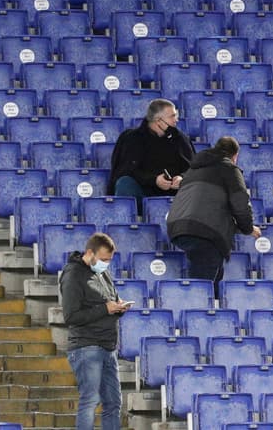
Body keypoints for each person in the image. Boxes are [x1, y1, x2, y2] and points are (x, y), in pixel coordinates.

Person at [165, 136, 260, 285]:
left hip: (178, 227)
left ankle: (212, 302)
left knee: (213, 273)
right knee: (202, 284)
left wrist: (242, 229)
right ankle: (199, 304)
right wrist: (247, 228)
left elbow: (212, 211)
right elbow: (240, 202)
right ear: (235, 156)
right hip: (204, 231)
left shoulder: (193, 170)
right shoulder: (229, 169)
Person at [59, 232, 129, 430]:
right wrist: (105, 309)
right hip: (86, 346)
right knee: (90, 401)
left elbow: (110, 301)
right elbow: (71, 317)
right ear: (90, 253)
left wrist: (119, 307)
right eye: (104, 259)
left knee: (114, 403)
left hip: (108, 346)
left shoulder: (102, 273)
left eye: (109, 260)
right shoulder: (73, 275)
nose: (106, 264)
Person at [107, 99, 193, 212]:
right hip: (143, 191)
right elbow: (126, 170)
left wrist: (182, 178)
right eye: (172, 116)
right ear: (158, 121)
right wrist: (154, 180)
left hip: (175, 194)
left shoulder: (180, 139)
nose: (176, 120)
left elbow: (193, 167)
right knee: (124, 183)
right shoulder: (132, 139)